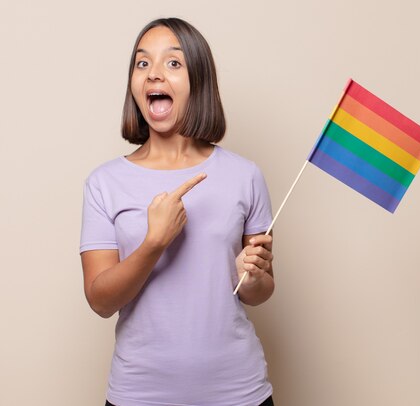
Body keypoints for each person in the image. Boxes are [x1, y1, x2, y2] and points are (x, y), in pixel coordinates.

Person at [79, 17, 276, 406]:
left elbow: (261, 291)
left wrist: (252, 278)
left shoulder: (245, 175)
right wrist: (154, 242)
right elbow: (100, 301)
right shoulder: (104, 182)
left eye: (173, 63)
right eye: (142, 63)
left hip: (238, 392)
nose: (154, 74)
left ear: (198, 81)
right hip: (140, 394)